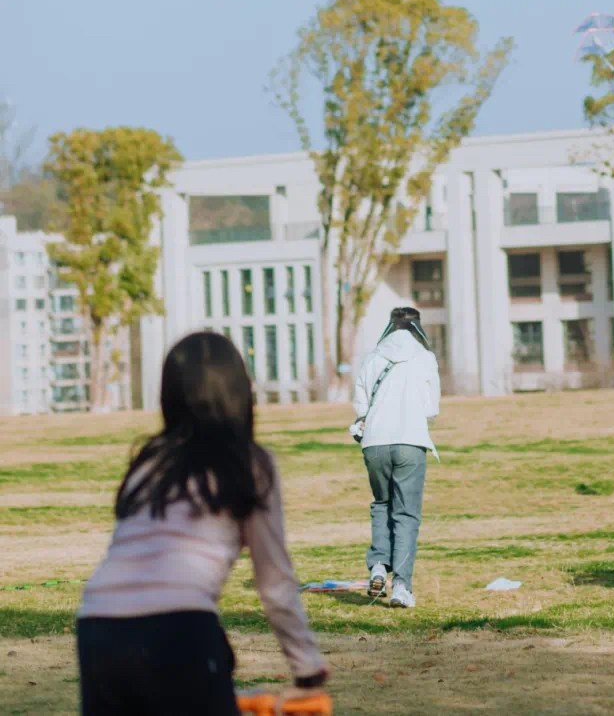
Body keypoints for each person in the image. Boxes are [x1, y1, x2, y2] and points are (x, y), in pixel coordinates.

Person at [76, 331, 328, 716]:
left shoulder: (149, 463)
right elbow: (274, 581)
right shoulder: (249, 465)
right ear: (241, 393)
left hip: (98, 625)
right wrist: (307, 669)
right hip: (179, 629)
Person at [352, 304, 441, 608]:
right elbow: (431, 409)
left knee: (381, 504)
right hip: (410, 441)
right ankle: (401, 587)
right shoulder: (424, 357)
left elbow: (361, 404)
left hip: (374, 443)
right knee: (406, 514)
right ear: (418, 327)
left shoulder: (373, 356)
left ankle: (378, 566)